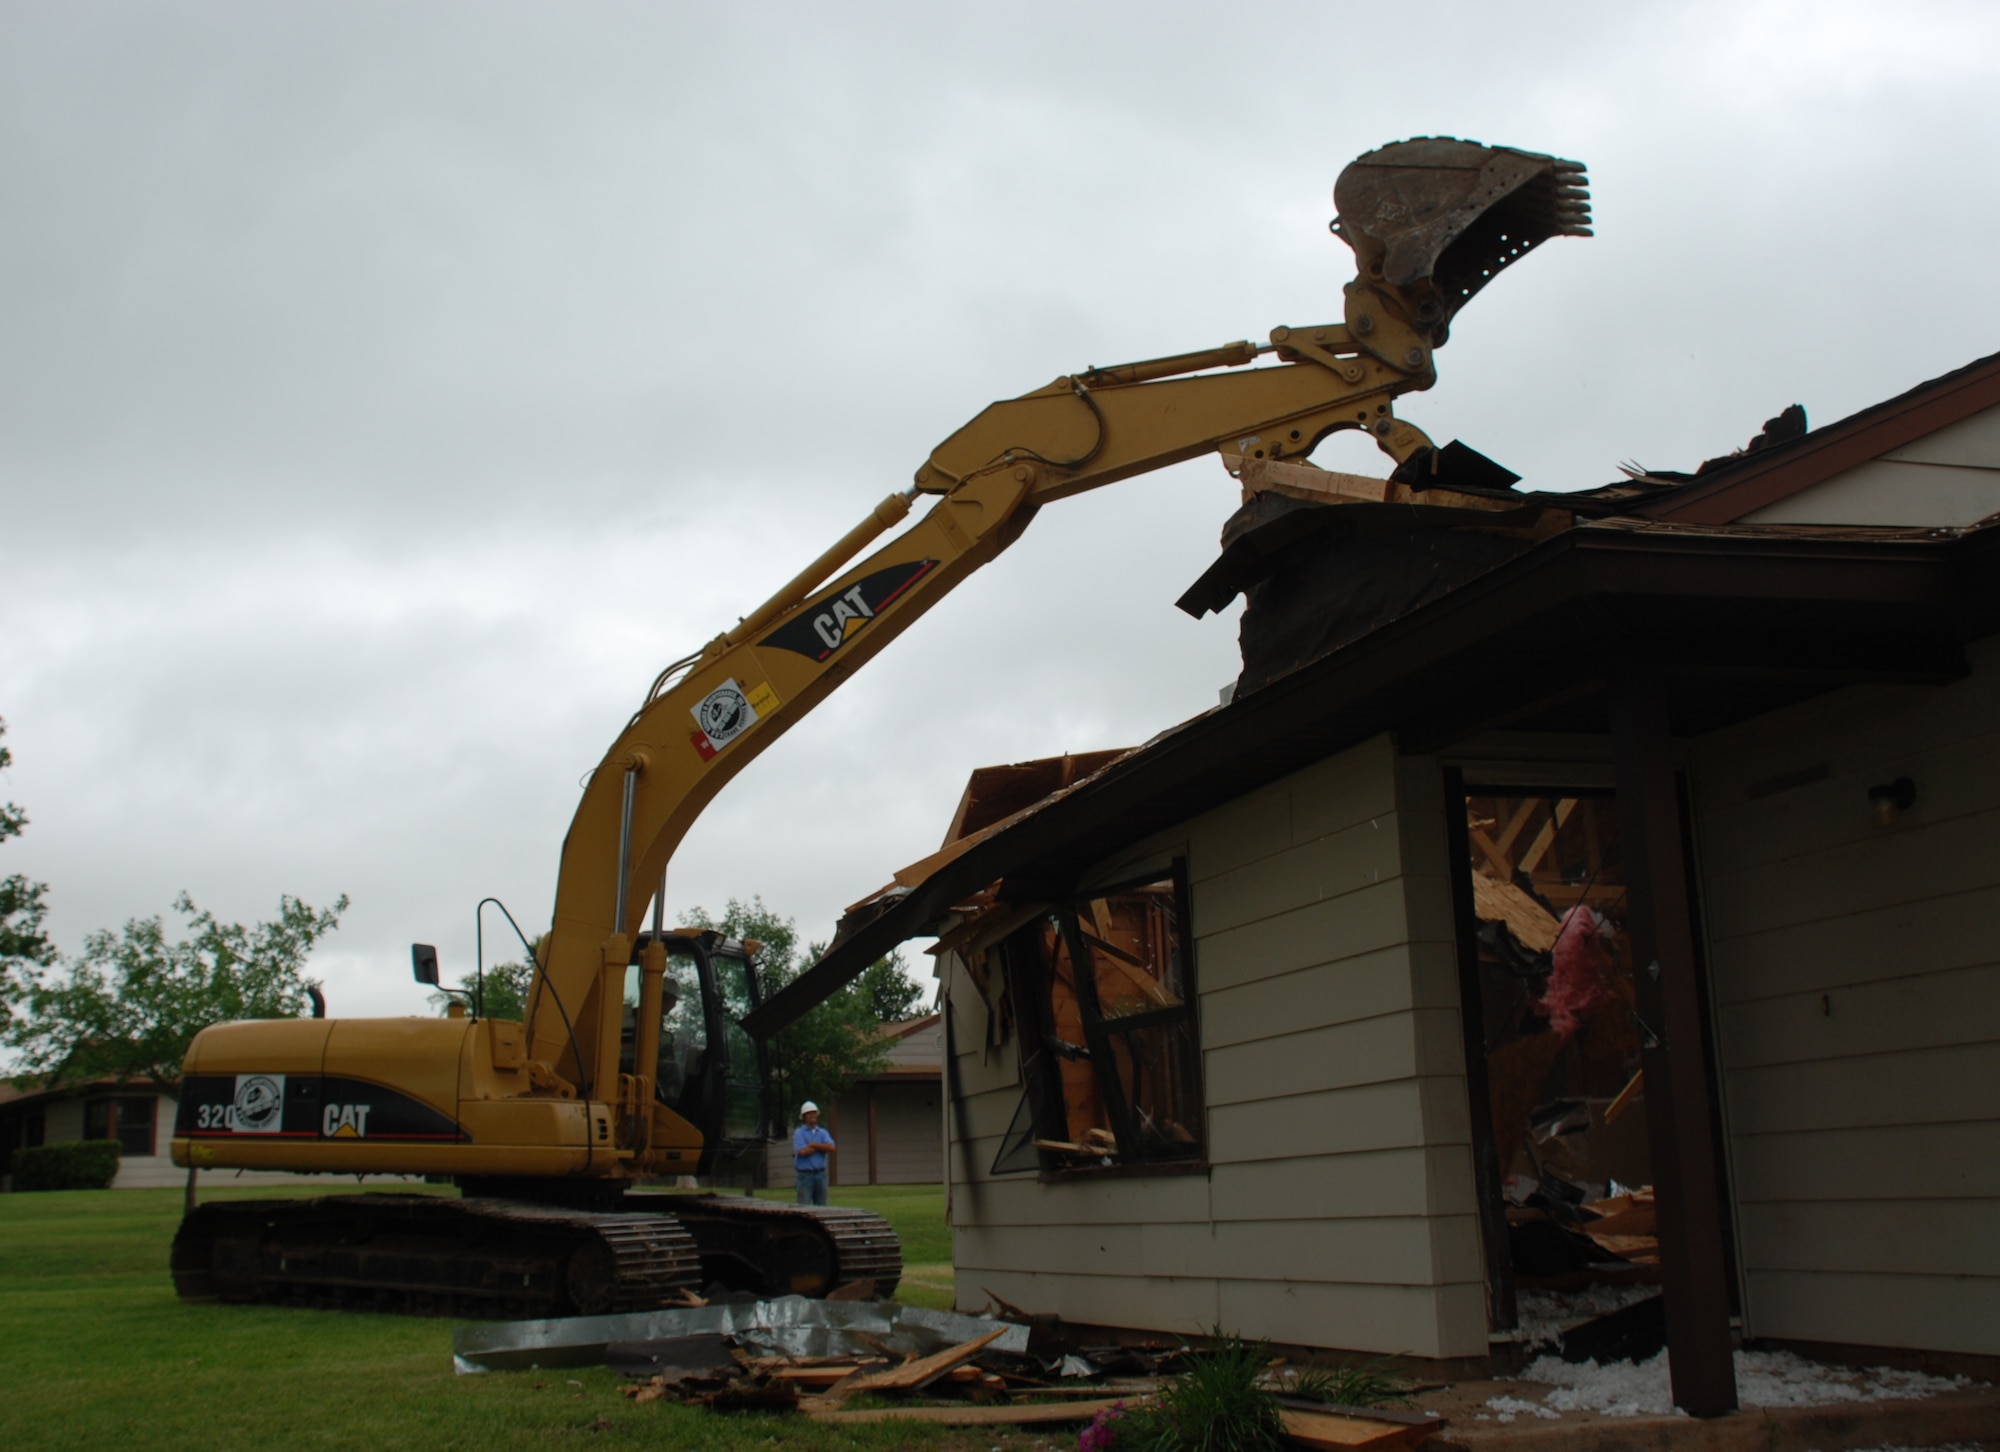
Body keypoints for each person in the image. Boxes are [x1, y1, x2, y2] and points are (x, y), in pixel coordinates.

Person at [791, 1101, 836, 1206]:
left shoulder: (823, 1132)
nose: (813, 1115)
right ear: (804, 1117)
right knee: (803, 1206)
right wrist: (822, 1147)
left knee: (822, 1207)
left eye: (814, 1113)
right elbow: (803, 1151)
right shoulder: (799, 1132)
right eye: (809, 1113)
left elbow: (832, 1147)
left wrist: (814, 1145)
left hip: (820, 1175)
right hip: (805, 1176)